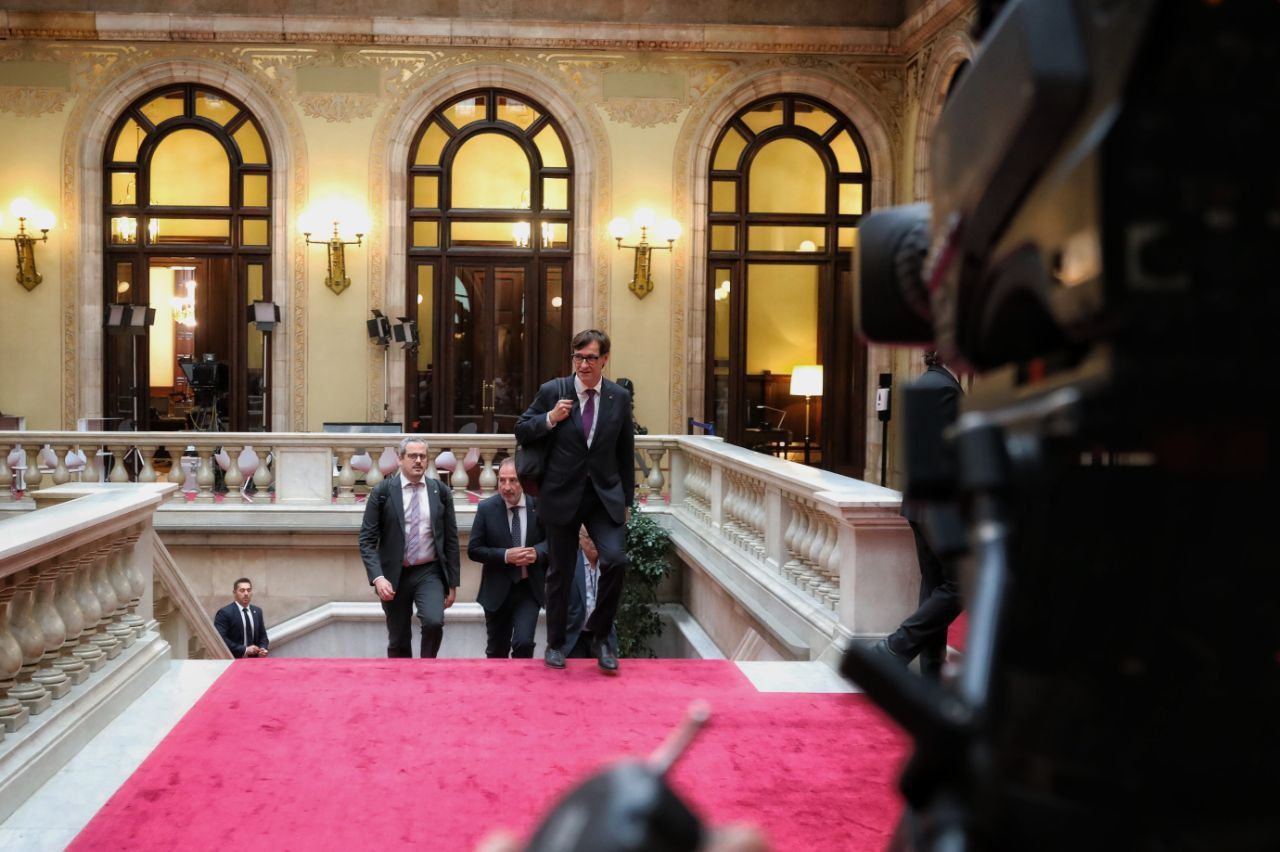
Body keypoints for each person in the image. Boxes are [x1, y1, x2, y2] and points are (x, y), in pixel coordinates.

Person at [515, 328, 635, 674]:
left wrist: (626, 499)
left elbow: (625, 451)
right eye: (578, 358)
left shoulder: (618, 397)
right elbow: (522, 429)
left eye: (591, 358)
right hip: (561, 495)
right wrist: (550, 418)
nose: (583, 364)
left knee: (615, 561)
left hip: (603, 497)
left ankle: (601, 636)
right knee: (561, 572)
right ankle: (555, 645)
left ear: (605, 360)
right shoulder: (555, 390)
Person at [874, 350, 963, 678]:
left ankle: (931, 675)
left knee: (935, 585)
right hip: (939, 507)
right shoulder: (944, 387)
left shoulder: (930, 383)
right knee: (960, 585)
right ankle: (894, 648)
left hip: (922, 505)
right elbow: (947, 455)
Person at [359, 437, 460, 658]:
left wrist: (452, 583)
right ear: (399, 459)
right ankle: (401, 684)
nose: (418, 461)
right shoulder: (382, 492)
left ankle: (426, 669)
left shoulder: (440, 491)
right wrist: (378, 578)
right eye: (412, 456)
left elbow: (451, 539)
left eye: (422, 456)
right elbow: (366, 540)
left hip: (429, 571)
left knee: (434, 622)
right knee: (398, 639)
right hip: (394, 575)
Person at [468, 457, 548, 659]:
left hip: (528, 588)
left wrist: (537, 552)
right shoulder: (486, 508)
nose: (506, 487)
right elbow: (474, 549)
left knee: (523, 643)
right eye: (502, 480)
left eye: (513, 480)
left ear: (523, 482)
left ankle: (523, 687)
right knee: (496, 650)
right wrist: (505, 556)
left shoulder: (539, 505)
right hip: (496, 590)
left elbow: (554, 541)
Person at [565, 526, 618, 659]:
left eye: (597, 537)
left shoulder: (610, 564)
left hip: (602, 635)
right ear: (580, 539)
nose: (594, 541)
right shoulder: (567, 564)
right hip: (575, 634)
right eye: (589, 538)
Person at [214, 577, 269, 658]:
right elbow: (221, 639)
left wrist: (263, 648)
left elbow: (263, 636)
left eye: (249, 590)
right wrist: (245, 650)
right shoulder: (224, 613)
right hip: (233, 660)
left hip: (255, 661)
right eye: (242, 590)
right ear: (234, 592)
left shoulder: (257, 611)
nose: (246, 593)